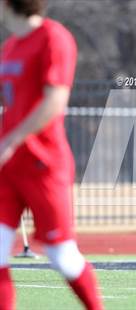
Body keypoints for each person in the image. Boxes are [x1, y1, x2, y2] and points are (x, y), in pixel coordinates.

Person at [0, 0, 103, 308]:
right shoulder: (9, 48)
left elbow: (54, 102)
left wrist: (12, 140)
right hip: (8, 167)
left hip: (43, 165)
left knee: (62, 256)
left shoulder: (53, 38)